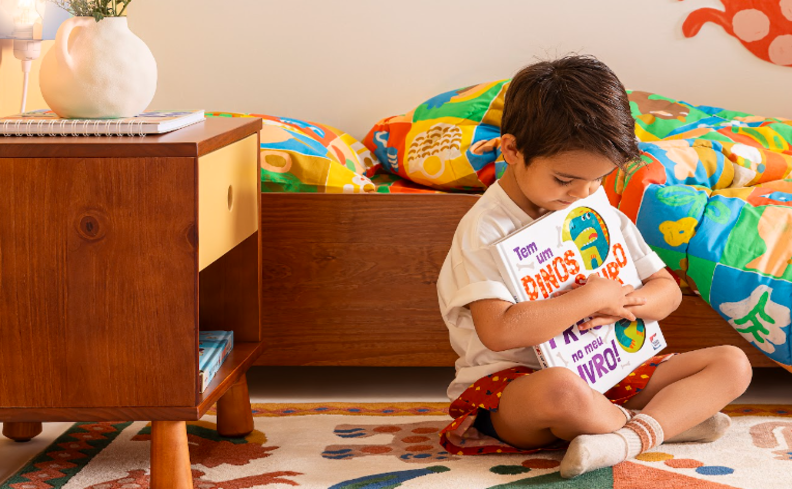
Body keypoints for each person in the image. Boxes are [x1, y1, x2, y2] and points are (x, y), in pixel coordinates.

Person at [435, 54, 753, 478]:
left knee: (733, 364)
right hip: (520, 388)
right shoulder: (486, 227)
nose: (582, 192)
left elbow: (667, 292)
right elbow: (499, 331)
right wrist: (589, 298)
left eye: (599, 178)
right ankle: (661, 425)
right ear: (512, 149)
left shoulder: (591, 203)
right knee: (561, 389)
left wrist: (627, 302)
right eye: (564, 180)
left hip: (611, 369)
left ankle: (623, 436)